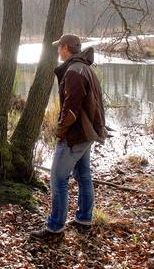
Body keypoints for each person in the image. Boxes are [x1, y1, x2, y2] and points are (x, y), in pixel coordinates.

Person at [31, 34, 106, 242]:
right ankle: (84, 219)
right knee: (83, 175)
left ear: (65, 48)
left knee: (57, 179)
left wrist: (60, 133)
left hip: (76, 135)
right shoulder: (86, 68)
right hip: (86, 133)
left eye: (59, 47)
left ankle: (55, 226)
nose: (57, 51)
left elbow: (70, 111)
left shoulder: (74, 72)